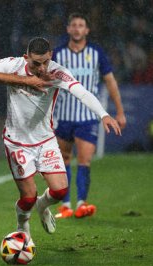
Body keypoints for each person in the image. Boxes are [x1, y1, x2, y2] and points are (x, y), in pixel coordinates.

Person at [0, 37, 121, 239]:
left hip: (45, 140)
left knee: (59, 191)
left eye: (45, 62)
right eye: (35, 63)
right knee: (28, 197)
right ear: (26, 58)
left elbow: (83, 93)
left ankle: (42, 207)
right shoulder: (13, 64)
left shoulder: (57, 73)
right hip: (17, 143)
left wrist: (103, 114)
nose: (41, 68)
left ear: (51, 56)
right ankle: (23, 227)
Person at [52, 13, 126, 219]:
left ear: (87, 30)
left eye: (81, 25)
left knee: (84, 160)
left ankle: (82, 204)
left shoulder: (96, 53)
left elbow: (110, 81)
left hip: (87, 117)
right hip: (63, 116)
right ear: (68, 29)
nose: (77, 29)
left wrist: (119, 111)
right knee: (64, 160)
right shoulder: (57, 54)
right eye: (73, 25)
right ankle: (65, 206)